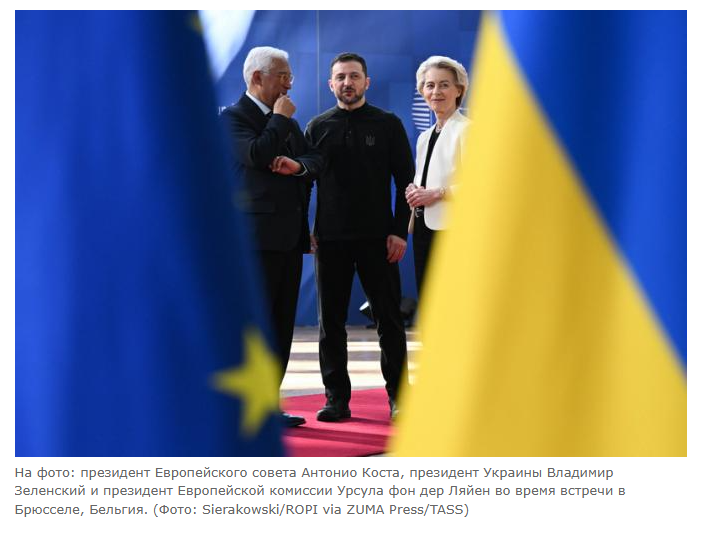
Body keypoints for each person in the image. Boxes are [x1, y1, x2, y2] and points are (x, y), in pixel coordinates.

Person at [306, 52, 414, 422]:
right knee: (331, 324)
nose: (347, 83)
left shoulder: (388, 124)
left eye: (354, 76)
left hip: (378, 240)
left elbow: (406, 182)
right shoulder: (317, 127)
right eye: (340, 77)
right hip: (330, 240)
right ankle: (336, 399)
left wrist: (399, 232)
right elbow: (304, 184)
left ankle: (400, 398)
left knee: (389, 321)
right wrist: (306, 229)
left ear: (367, 82)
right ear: (330, 84)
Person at [220, 46, 322, 428]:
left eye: (290, 76)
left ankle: (269, 405)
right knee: (256, 325)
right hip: (254, 243)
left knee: (281, 325)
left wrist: (298, 166)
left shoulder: (289, 123)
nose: (289, 84)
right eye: (282, 76)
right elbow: (256, 154)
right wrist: (279, 119)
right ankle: (245, 406)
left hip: (289, 239)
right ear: (256, 78)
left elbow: (316, 161)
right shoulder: (232, 118)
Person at [405, 56, 470, 296]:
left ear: (458, 90)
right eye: (429, 85)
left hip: (453, 231)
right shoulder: (425, 136)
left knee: (452, 298)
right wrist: (414, 189)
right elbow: (428, 178)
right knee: (428, 298)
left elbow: (480, 184)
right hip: (423, 226)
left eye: (444, 85)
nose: (436, 92)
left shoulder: (467, 129)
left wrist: (438, 193)